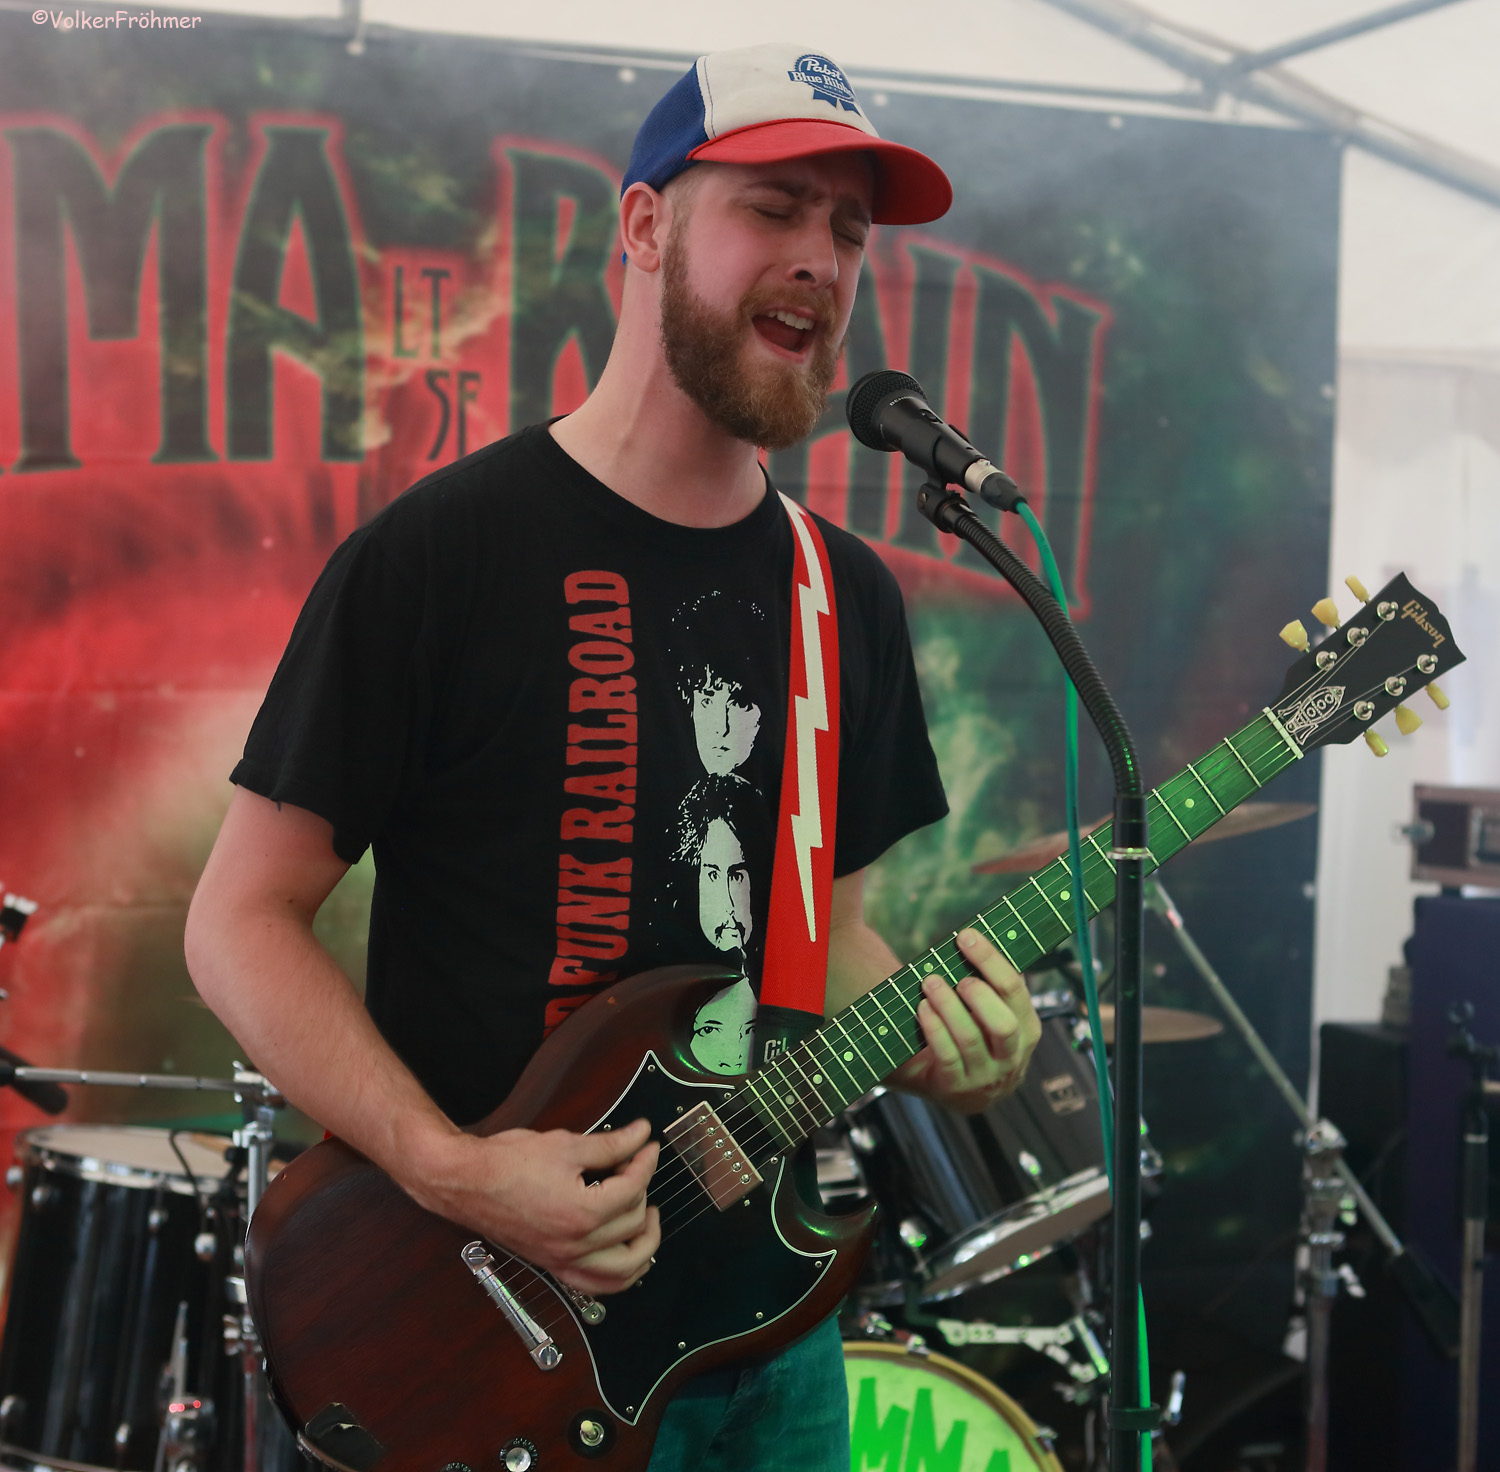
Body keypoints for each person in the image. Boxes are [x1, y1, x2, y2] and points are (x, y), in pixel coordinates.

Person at [185, 41, 1043, 1472]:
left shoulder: (846, 596)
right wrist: (454, 1169)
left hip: (762, 1347)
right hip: (476, 1332)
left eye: (848, 230)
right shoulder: (442, 554)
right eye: (773, 208)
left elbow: (827, 939)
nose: (822, 259)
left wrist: (952, 1047)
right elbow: (237, 924)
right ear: (644, 226)